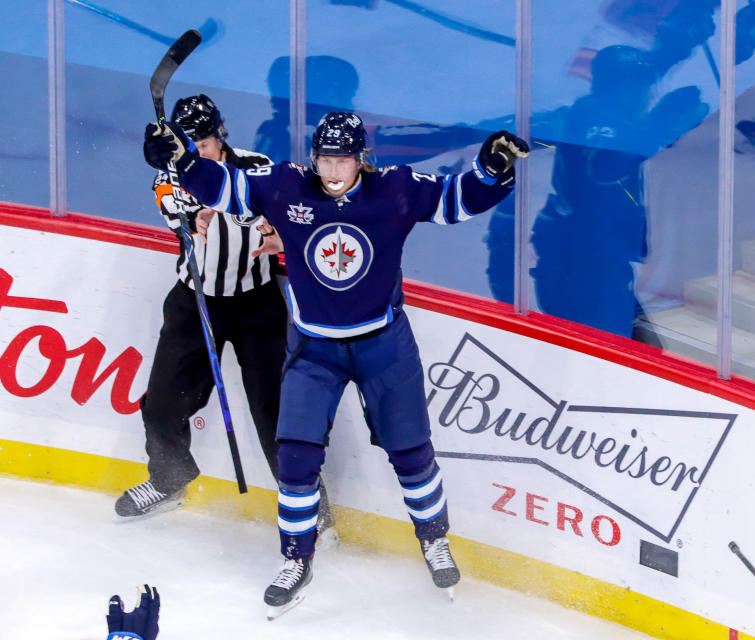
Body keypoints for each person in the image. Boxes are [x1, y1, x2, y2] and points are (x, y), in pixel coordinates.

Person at [142, 110, 527, 615]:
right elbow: (225, 186)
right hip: (313, 349)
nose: (332, 169)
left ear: (360, 158)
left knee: (411, 454)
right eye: (324, 158)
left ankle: (434, 539)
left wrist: (491, 170)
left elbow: (458, 199)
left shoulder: (395, 190)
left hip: (383, 345)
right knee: (296, 460)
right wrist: (183, 161)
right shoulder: (286, 188)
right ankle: (296, 559)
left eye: (342, 159)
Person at [116, 95, 324, 529]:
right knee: (161, 407)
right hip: (194, 303)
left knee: (276, 413)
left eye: (205, 146)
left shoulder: (257, 167)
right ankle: (169, 477)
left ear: (220, 137)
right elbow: (178, 210)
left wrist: (244, 214)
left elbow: (280, 220)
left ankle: (307, 506)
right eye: (190, 148)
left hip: (257, 306)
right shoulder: (171, 171)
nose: (199, 155)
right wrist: (192, 210)